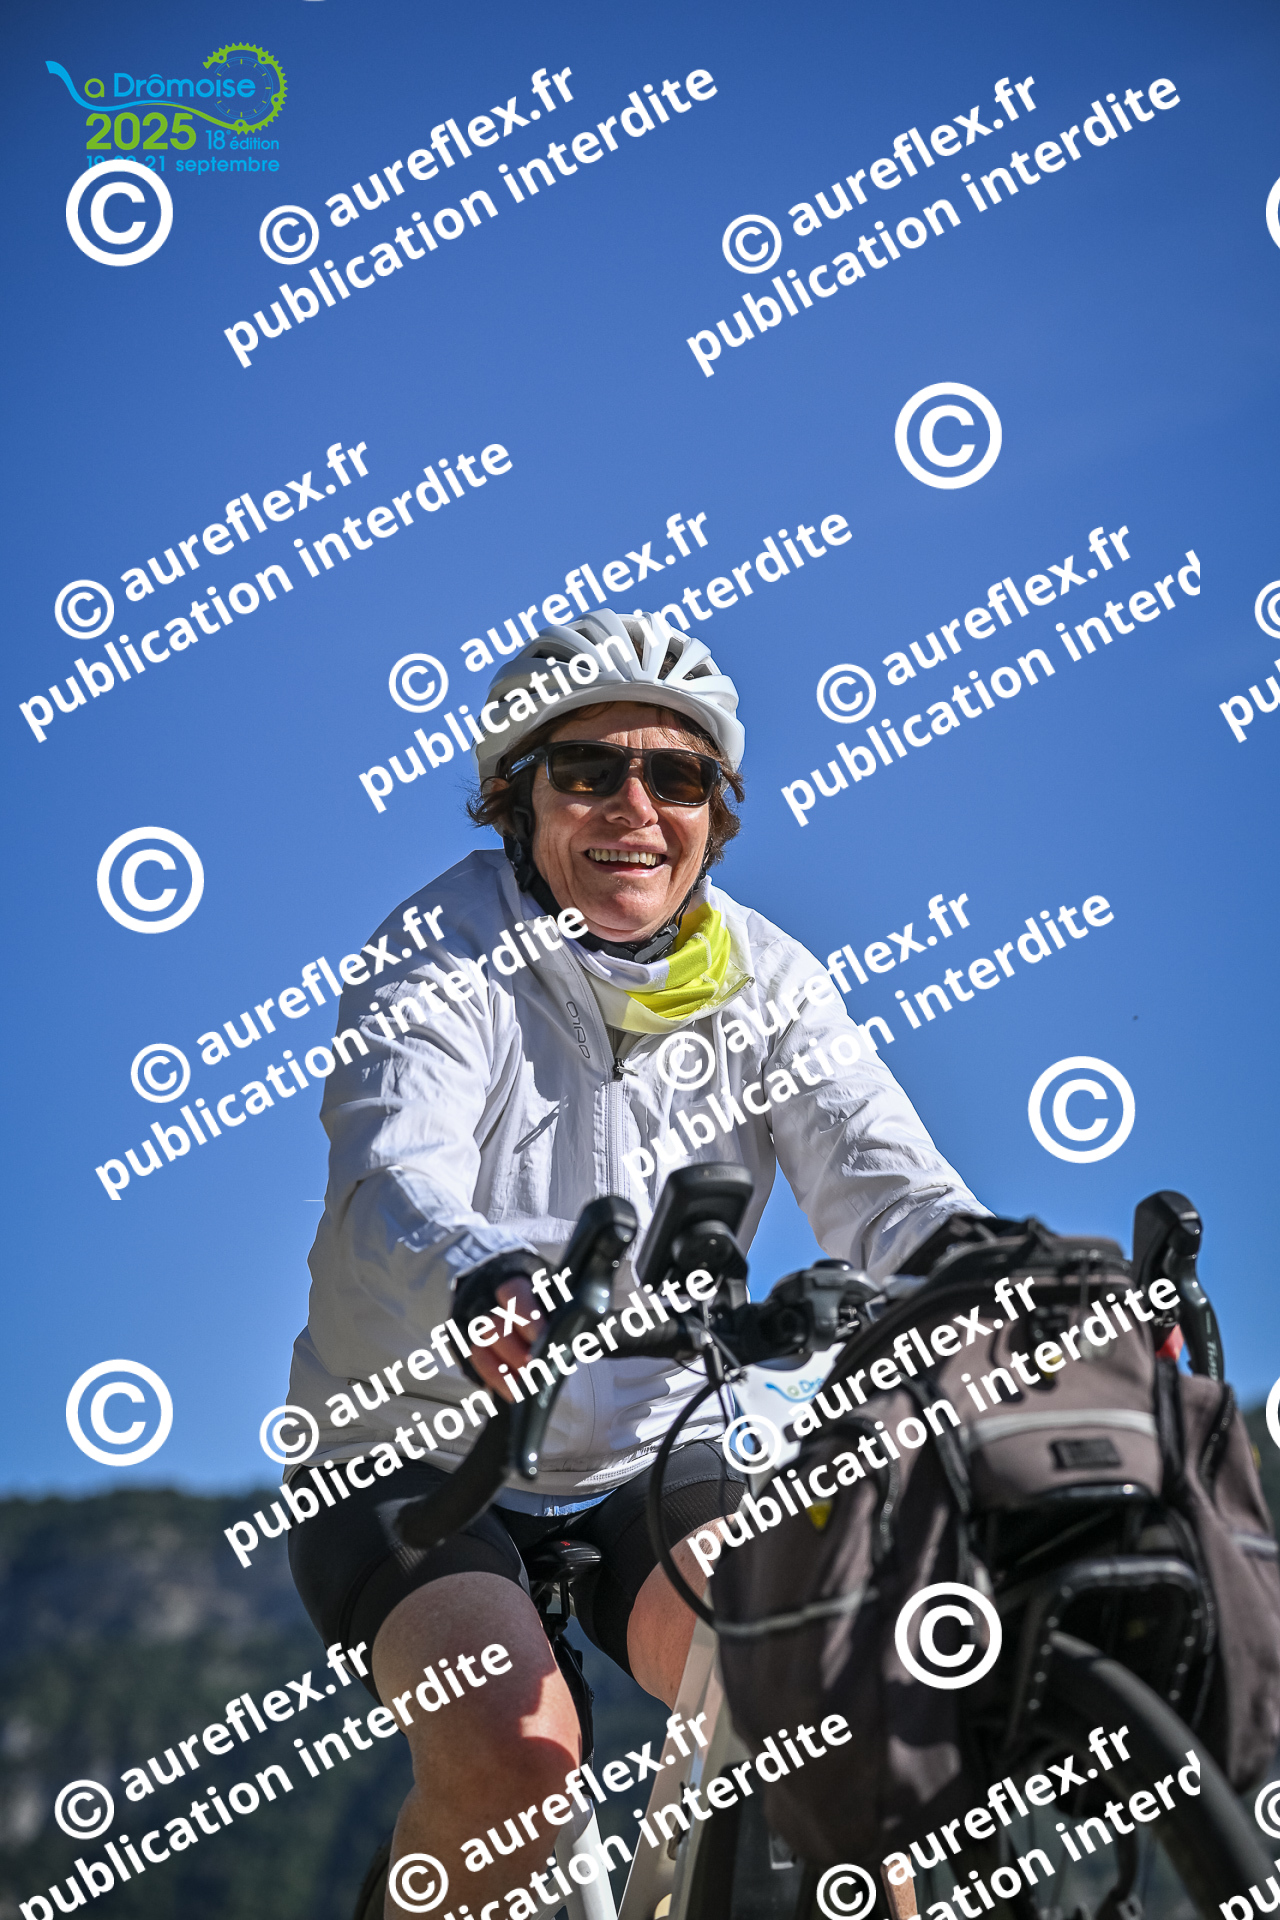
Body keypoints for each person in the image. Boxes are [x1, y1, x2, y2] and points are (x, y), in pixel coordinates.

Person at [284, 609, 985, 1916]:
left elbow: (889, 1184)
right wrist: (484, 1281)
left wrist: (996, 1283)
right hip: (417, 1445)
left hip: (662, 1440)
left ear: (716, 815)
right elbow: (390, 1182)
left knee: (827, 1715)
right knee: (516, 1764)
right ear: (516, 801)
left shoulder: (771, 981)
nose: (636, 808)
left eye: (677, 776)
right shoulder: (439, 952)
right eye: (588, 770)